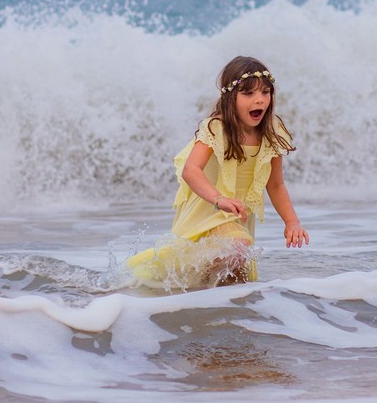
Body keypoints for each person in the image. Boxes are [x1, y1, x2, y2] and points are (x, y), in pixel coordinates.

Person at [128, 56, 309, 290]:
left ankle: (217, 312)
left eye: (265, 92)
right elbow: (190, 170)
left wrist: (291, 221)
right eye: (249, 94)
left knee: (235, 279)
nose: (259, 100)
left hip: (238, 213)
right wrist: (219, 199)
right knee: (236, 249)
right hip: (209, 208)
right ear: (230, 97)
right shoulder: (216, 128)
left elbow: (275, 185)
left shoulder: (272, 132)